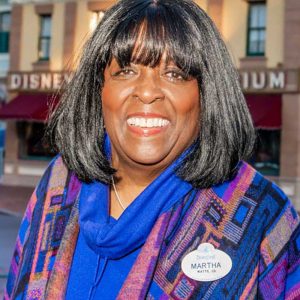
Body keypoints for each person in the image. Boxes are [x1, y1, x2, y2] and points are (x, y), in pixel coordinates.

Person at [5, 0, 300, 299]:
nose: (147, 92)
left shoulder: (262, 219)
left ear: (207, 95)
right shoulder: (58, 182)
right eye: (126, 70)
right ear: (99, 89)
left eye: (175, 74)